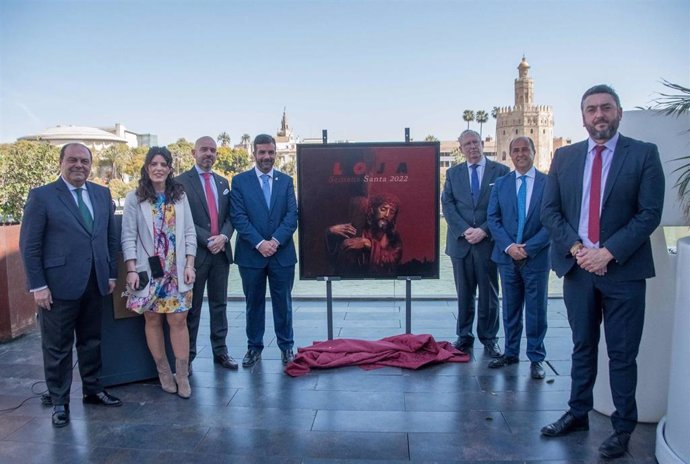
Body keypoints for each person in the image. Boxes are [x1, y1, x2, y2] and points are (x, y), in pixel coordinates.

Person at [540, 85, 664, 459]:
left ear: (619, 113)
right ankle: (578, 413)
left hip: (624, 271)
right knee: (582, 346)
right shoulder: (564, 157)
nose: (599, 115)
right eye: (591, 109)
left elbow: (649, 214)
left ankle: (623, 428)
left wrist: (608, 252)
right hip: (578, 270)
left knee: (623, 354)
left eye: (606, 107)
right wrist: (579, 250)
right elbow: (550, 212)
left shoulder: (643, 154)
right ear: (582, 117)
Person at [19, 143, 122, 428]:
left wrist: (111, 274)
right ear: (61, 162)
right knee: (58, 347)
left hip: (95, 281)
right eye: (73, 160)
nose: (79, 165)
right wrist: (38, 285)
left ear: (91, 165)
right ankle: (59, 402)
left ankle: (93, 389)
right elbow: (29, 246)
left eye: (85, 161)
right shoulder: (42, 197)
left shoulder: (102, 194)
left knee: (92, 341)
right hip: (58, 285)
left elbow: (110, 238)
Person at [121, 147, 197, 399]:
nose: (158, 168)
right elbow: (128, 237)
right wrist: (131, 268)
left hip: (176, 271)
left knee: (178, 320)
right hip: (149, 272)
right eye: (153, 163)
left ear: (170, 168)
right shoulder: (135, 198)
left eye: (163, 164)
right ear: (146, 167)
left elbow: (189, 233)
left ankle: (182, 375)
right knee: (152, 320)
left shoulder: (179, 195)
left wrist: (189, 264)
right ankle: (163, 372)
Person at [230, 133, 298, 367]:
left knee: (284, 303)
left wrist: (275, 242)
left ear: (275, 154)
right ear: (254, 153)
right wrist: (260, 243)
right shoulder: (239, 181)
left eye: (270, 152)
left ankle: (287, 347)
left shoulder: (286, 181)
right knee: (253, 304)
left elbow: (292, 217)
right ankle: (254, 348)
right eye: (262, 152)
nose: (266, 157)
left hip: (282, 254)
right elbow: (238, 217)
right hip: (251, 255)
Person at [487, 136, 550, 379]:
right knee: (510, 308)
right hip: (507, 257)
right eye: (516, 150)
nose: (520, 153)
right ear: (510, 154)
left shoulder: (548, 183)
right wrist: (510, 247)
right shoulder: (501, 184)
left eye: (525, 149)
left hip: (536, 258)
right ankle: (511, 353)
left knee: (536, 311)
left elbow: (552, 220)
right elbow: (493, 219)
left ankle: (536, 358)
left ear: (534, 152)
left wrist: (528, 248)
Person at [442, 129, 509, 357]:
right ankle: (464, 336)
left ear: (482, 143)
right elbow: (448, 206)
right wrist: (464, 230)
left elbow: (504, 208)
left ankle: (490, 338)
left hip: (488, 242)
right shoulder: (453, 174)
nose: (472, 147)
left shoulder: (501, 172)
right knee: (464, 292)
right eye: (467, 144)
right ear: (461, 149)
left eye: (476, 142)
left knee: (489, 293)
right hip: (460, 243)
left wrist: (483, 230)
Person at [177, 136, 237, 372]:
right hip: (196, 254)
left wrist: (224, 236)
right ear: (194, 152)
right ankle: (188, 357)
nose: (208, 154)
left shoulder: (223, 183)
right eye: (204, 149)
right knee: (192, 308)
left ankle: (220, 352)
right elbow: (182, 219)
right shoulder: (180, 182)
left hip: (221, 253)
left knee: (219, 305)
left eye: (213, 150)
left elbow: (231, 216)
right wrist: (207, 239)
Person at [326, 193, 403, 276]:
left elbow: (393, 261)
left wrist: (368, 244)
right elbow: (338, 258)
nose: (387, 215)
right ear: (373, 209)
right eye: (383, 209)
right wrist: (330, 232)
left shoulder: (393, 237)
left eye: (392, 212)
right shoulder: (359, 228)